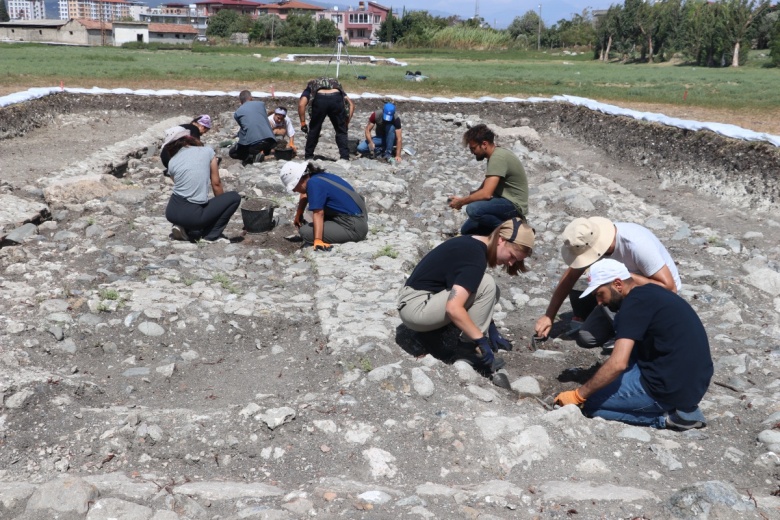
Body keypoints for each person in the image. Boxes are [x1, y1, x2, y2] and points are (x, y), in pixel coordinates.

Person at [554, 259, 713, 430]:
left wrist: (578, 396)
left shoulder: (633, 307)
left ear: (617, 284)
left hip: (667, 388)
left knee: (589, 405)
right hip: (694, 381)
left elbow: (618, 363)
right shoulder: (651, 292)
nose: (600, 302)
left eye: (600, 294)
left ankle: (669, 418)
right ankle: (681, 407)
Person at [397, 218, 535, 372]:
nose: (511, 263)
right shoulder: (475, 256)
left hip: (415, 302)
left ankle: (439, 335)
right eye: (512, 256)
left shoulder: (473, 243)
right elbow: (453, 307)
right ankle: (466, 351)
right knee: (486, 284)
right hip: (416, 308)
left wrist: (490, 326)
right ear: (501, 240)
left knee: (491, 290)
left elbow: (465, 290)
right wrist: (480, 340)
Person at [534, 216, 681, 350]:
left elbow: (670, 288)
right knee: (587, 337)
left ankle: (634, 337)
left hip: (654, 296)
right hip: (618, 291)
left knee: (632, 342)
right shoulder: (589, 243)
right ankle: (622, 327)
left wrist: (626, 276)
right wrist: (549, 315)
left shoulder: (636, 244)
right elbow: (570, 277)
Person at [448, 124, 528, 236]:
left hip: (514, 205)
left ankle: (512, 232)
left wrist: (462, 202)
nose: (472, 152)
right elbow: (487, 183)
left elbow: (486, 194)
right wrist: (463, 198)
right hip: (502, 200)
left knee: (473, 210)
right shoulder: (494, 155)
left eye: (473, 148)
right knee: (467, 230)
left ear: (484, 144)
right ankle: (495, 233)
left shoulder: (498, 158)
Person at [164, 127, 241, 242]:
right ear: (188, 138)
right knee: (234, 197)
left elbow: (181, 184)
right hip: (192, 216)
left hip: (171, 212)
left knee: (197, 202)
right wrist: (219, 209)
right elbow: (216, 183)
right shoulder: (207, 151)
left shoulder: (172, 161)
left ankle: (183, 226)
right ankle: (210, 235)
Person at [280, 161, 367, 250]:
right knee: (310, 216)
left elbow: (318, 213)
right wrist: (299, 213)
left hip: (352, 227)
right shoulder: (317, 177)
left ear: (299, 180)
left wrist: (318, 240)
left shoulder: (314, 184)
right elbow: (305, 193)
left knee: (305, 231)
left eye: (294, 187)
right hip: (360, 215)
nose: (294, 190)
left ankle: (344, 234)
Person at [297, 77, 355, 161]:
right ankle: (345, 157)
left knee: (314, 129)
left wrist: (303, 123)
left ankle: (308, 156)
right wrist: (346, 122)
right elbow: (351, 105)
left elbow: (301, 105)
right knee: (341, 131)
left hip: (320, 99)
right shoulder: (336, 85)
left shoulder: (310, 86)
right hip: (336, 98)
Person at [229, 90, 276, 166]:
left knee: (233, 153)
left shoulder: (238, 112)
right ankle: (264, 153)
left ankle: (251, 156)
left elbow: (244, 129)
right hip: (271, 140)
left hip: (255, 144)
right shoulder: (261, 104)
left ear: (241, 101)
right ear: (251, 98)